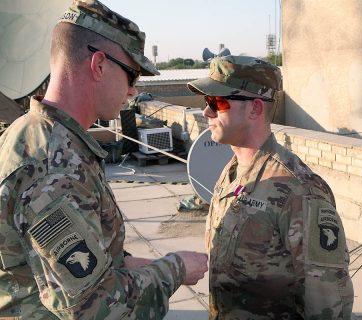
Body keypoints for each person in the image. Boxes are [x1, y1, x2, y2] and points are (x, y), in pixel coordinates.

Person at [0, 0, 208, 318]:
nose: (132, 91)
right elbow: (96, 308)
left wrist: (139, 265)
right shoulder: (53, 167)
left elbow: (92, 261)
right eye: (132, 75)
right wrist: (176, 268)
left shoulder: (47, 138)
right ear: (98, 65)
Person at [187, 55, 354, 319]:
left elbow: (328, 299)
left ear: (255, 109)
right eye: (206, 102)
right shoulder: (231, 171)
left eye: (217, 102)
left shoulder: (299, 189)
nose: (206, 112)